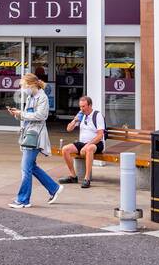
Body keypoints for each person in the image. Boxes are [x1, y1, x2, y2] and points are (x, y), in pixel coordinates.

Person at [6, 73, 62, 208]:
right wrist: (17, 114)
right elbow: (27, 116)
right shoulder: (31, 97)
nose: (23, 89)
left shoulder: (42, 98)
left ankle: (23, 200)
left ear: (31, 85)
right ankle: (54, 188)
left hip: (35, 137)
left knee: (25, 169)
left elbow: (40, 115)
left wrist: (22, 114)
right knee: (32, 167)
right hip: (29, 136)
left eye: (24, 86)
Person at [59, 95, 106, 188]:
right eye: (80, 106)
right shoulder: (81, 115)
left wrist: (87, 145)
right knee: (65, 149)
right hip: (82, 143)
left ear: (90, 105)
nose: (81, 109)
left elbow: (100, 135)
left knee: (89, 149)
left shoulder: (97, 115)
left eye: (83, 106)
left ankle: (87, 178)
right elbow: (69, 129)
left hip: (97, 143)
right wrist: (75, 120)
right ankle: (73, 176)